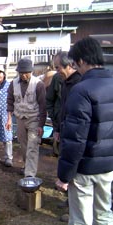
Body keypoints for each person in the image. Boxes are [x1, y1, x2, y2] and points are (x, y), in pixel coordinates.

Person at [56, 37, 113, 225]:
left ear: (81, 61)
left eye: (75, 63)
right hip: (108, 167)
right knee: (104, 214)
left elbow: (75, 139)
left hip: (85, 168)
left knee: (81, 219)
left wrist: (64, 175)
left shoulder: (81, 90)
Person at [52, 51, 82, 222]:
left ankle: (74, 210)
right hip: (64, 130)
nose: (57, 71)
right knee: (65, 162)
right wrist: (57, 128)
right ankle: (69, 200)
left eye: (58, 68)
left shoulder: (79, 83)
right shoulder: (65, 82)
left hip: (74, 133)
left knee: (74, 170)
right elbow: (62, 107)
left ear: (69, 65)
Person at [5, 58, 47, 177]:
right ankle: (26, 165)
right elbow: (10, 102)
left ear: (31, 71)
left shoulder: (38, 84)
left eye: (26, 72)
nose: (23, 75)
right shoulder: (13, 84)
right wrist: (8, 119)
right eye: (21, 73)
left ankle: (30, 174)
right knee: (23, 146)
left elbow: (43, 106)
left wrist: (41, 125)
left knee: (32, 146)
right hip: (20, 119)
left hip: (34, 119)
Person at [46, 72, 62, 156]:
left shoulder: (81, 76)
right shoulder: (57, 77)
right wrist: (53, 115)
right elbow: (49, 99)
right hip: (58, 118)